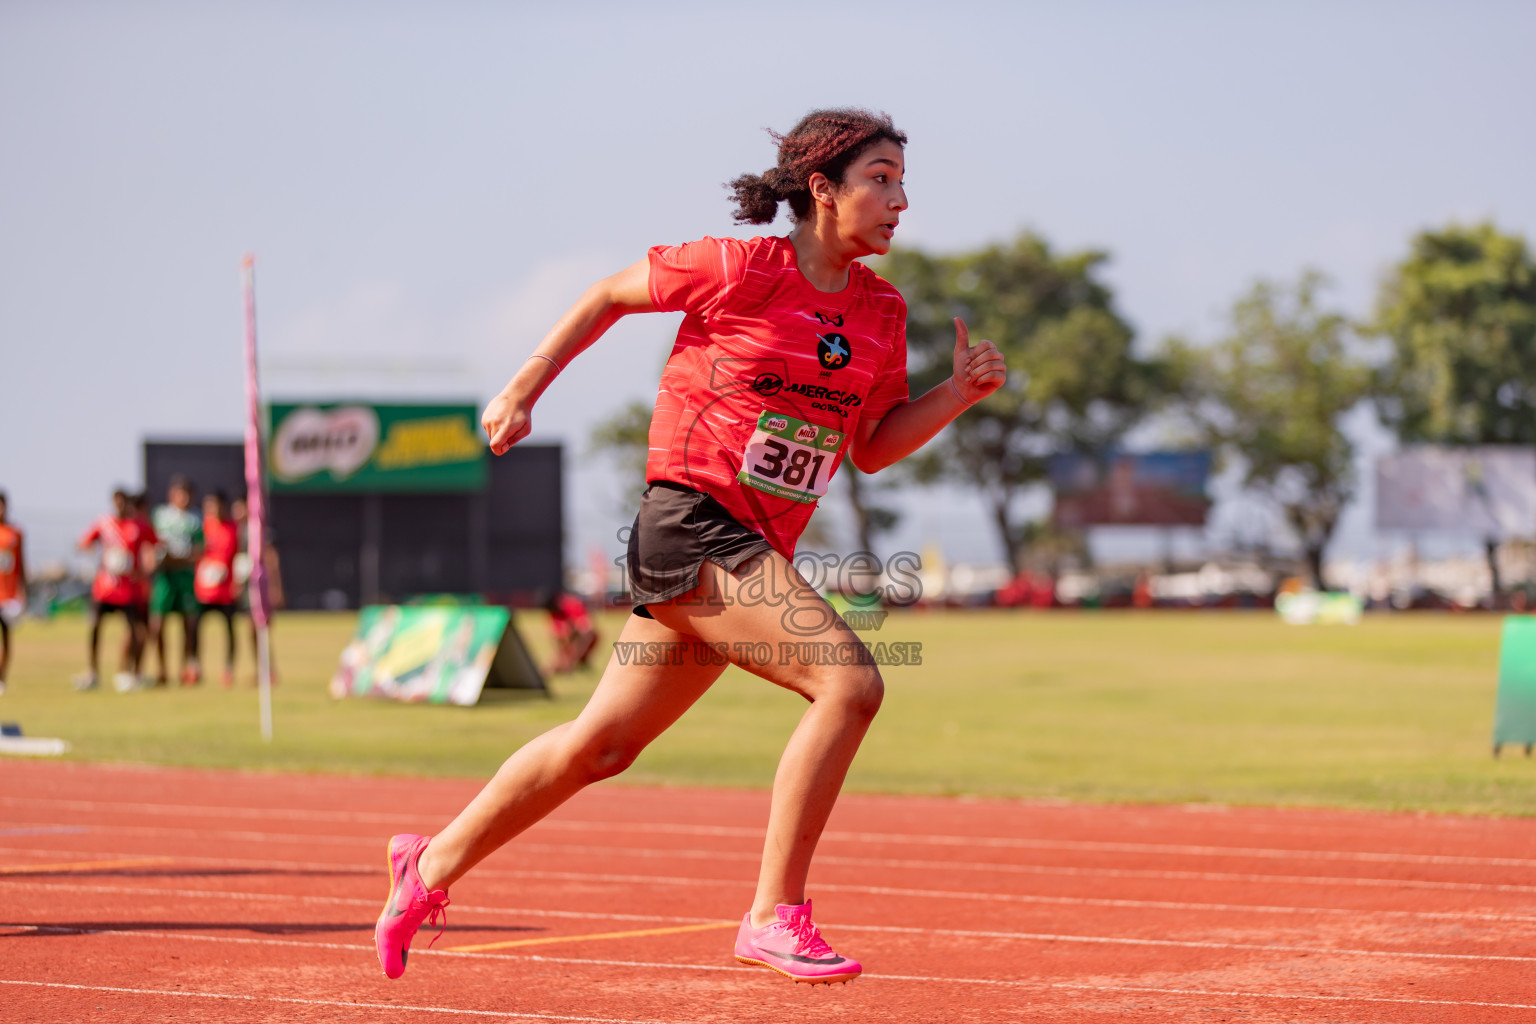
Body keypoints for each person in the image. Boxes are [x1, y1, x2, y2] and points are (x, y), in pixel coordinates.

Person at [373, 108, 1005, 986]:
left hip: (746, 546)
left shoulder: (883, 313)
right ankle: (774, 914)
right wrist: (522, 388)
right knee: (850, 682)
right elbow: (604, 297)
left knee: (602, 746)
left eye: (903, 180)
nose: (901, 198)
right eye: (882, 178)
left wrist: (957, 395)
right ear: (821, 189)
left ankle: (429, 864)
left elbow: (872, 444)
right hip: (691, 522)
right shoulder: (740, 266)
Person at [77, 489, 158, 692]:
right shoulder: (104, 523)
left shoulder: (138, 526)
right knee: (95, 626)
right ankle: (92, 671)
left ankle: (130, 673)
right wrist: (99, 557)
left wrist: (144, 570)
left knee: (137, 632)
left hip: (128, 590)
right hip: (105, 588)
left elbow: (155, 547)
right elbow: (84, 543)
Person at [149, 476, 204, 685]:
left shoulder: (196, 520)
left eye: (188, 494)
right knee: (158, 623)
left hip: (185, 578)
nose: (184, 498)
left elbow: (200, 550)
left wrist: (180, 559)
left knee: (189, 625)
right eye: (180, 493)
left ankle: (186, 669)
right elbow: (152, 545)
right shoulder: (160, 516)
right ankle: (161, 669)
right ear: (172, 494)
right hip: (165, 578)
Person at [195, 490, 241, 688]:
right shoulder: (201, 527)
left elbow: (239, 556)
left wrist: (237, 581)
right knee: (195, 629)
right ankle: (194, 666)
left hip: (226, 591)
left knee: (230, 630)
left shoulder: (234, 528)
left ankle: (228, 669)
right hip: (203, 590)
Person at [0, 491, 26, 695]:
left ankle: (2, 678)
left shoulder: (15, 532)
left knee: (6, 639)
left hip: (8, 596)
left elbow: (21, 565)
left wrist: (23, 592)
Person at [542, 588, 599, 675]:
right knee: (560, 651)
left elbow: (587, 626)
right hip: (568, 640)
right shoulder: (554, 611)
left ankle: (570, 663)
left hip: (582, 636)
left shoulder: (570, 604)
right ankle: (562, 664)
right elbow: (556, 633)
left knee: (584, 636)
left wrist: (572, 632)